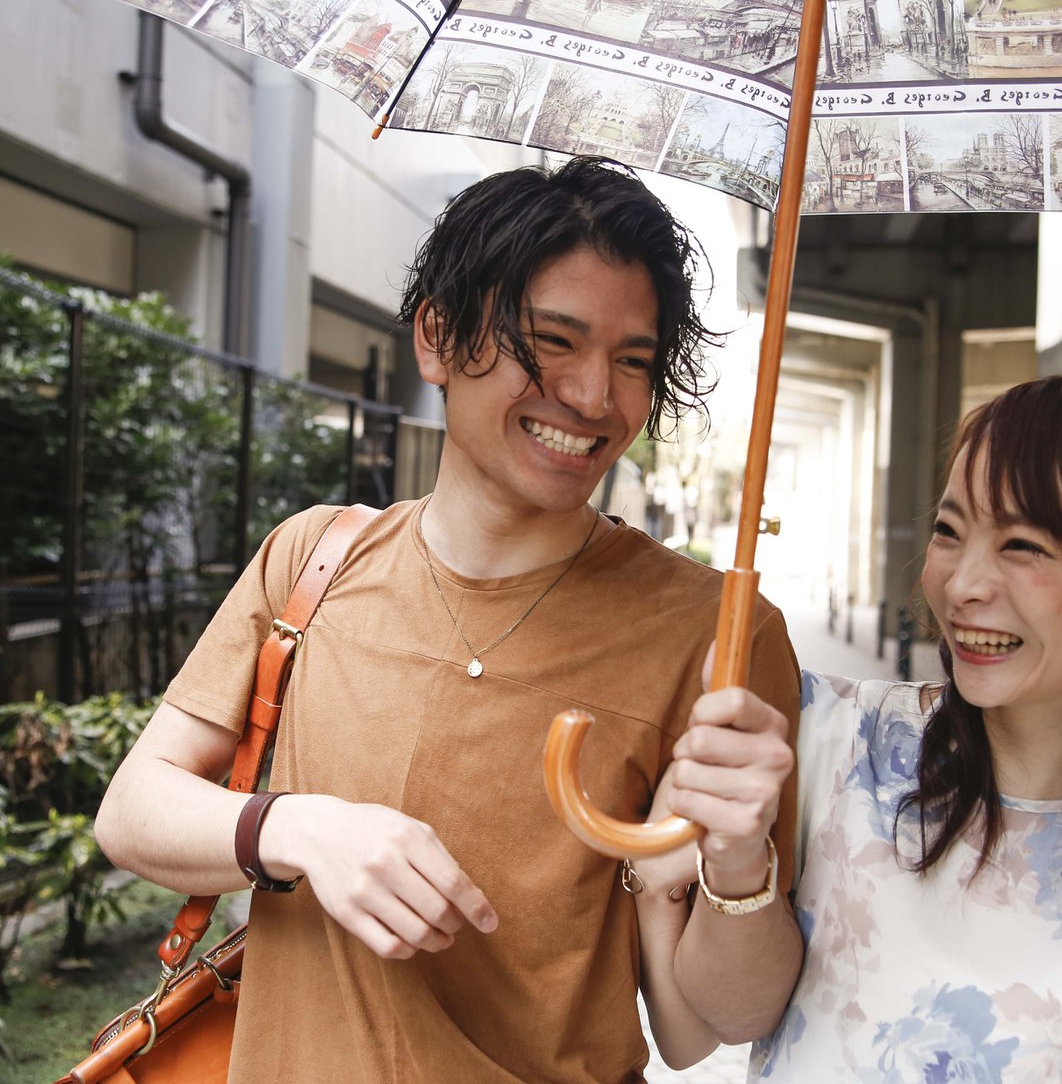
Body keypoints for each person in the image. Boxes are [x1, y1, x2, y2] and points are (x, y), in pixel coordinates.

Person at [95, 156, 803, 1083]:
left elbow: (713, 1027)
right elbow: (132, 810)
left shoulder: (717, 635)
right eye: (553, 341)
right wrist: (300, 830)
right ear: (436, 335)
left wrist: (741, 861)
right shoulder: (315, 559)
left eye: (633, 360)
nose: (595, 398)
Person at [746, 376, 1062, 1080]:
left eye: (1022, 546)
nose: (961, 585)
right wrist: (733, 864)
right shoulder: (830, 738)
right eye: (949, 531)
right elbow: (698, 1024)